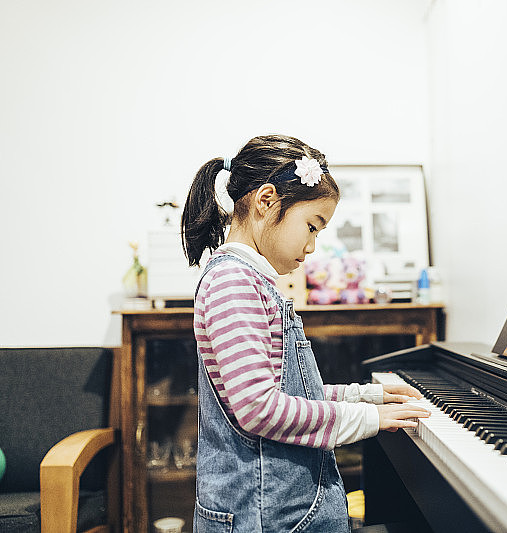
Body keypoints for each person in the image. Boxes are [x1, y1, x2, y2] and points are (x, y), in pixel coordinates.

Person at [181, 134, 431, 533]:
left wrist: (366, 394)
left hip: (279, 512)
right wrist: (368, 417)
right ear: (267, 201)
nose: (312, 246)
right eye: (311, 227)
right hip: (262, 517)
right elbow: (260, 409)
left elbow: (290, 392)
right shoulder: (233, 283)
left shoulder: (252, 282)